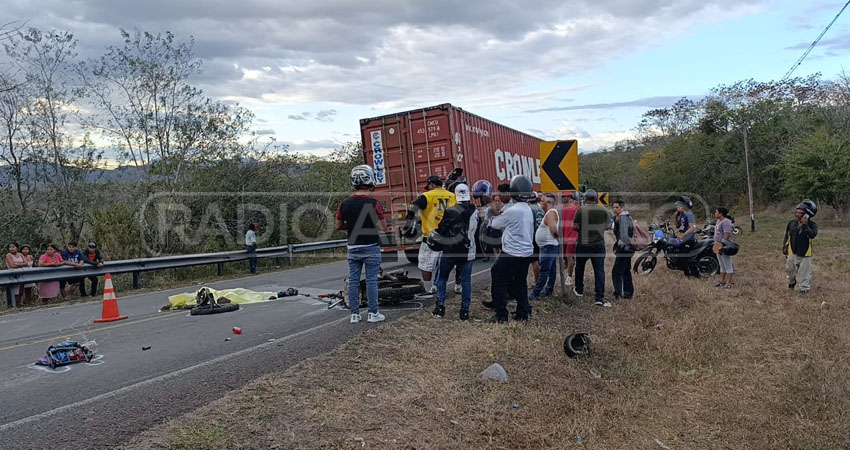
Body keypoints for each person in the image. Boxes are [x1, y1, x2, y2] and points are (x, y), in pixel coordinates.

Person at [336, 165, 387, 324]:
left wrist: (350, 225)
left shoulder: (344, 204)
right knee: (371, 280)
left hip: (353, 247)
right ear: (370, 180)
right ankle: (373, 313)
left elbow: (338, 226)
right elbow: (383, 227)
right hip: (371, 246)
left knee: (353, 280)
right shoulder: (374, 203)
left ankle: (354, 315)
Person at [486, 175, 535, 323]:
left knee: (498, 278)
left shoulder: (512, 210)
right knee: (520, 282)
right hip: (526, 252)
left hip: (512, 253)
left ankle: (501, 314)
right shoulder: (527, 209)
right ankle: (523, 311)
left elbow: (494, 225)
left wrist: (494, 210)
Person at [432, 183, 478, 321]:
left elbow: (441, 230)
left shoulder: (450, 211)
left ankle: (440, 308)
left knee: (443, 278)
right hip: (468, 251)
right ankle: (464, 311)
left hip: (450, 251)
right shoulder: (474, 211)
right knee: (465, 282)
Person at [407, 174, 455, 298]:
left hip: (431, 237)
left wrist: (410, 218)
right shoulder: (452, 196)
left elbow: (412, 208)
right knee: (445, 263)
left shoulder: (426, 196)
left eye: (429, 186)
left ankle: (428, 289)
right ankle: (442, 285)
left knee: (426, 264)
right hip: (449, 236)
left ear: (432, 185)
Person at [572, 189, 612, 307]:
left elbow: (574, 226)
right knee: (599, 270)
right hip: (598, 245)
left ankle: (579, 290)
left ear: (585, 199)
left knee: (579, 268)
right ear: (596, 198)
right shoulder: (603, 210)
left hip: (583, 244)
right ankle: (599, 297)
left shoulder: (581, 210)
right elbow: (608, 226)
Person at [783, 200, 818, 294]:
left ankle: (804, 289)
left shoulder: (812, 225)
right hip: (792, 252)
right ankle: (792, 283)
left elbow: (812, 235)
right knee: (790, 271)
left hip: (806, 254)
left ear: (807, 215)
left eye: (800, 213)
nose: (798, 215)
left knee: (805, 274)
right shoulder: (792, 223)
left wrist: (805, 225)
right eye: (797, 212)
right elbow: (787, 236)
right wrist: (785, 248)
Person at [530, 193, 560, 299]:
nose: (540, 203)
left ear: (548, 202)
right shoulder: (549, 212)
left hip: (548, 246)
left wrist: (556, 236)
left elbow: (553, 228)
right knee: (551, 270)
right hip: (549, 245)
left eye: (542, 201)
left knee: (544, 271)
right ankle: (548, 290)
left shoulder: (551, 213)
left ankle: (536, 293)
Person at [611, 201, 635, 300]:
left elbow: (624, 236)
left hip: (624, 249)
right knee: (626, 271)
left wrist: (618, 248)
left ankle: (618, 294)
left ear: (622, 208)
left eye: (617, 207)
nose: (615, 209)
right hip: (628, 249)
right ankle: (628, 293)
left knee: (616, 272)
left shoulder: (624, 218)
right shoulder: (625, 217)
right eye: (614, 207)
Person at [674, 196, 699, 278]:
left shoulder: (689, 215)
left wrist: (683, 235)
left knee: (684, 256)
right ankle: (686, 272)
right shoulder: (681, 215)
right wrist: (675, 217)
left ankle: (692, 274)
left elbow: (692, 228)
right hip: (683, 238)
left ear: (683, 207)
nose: (677, 209)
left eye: (678, 207)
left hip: (689, 239)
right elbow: (678, 226)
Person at [712, 208, 735, 290]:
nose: (715, 213)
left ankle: (728, 283)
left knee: (728, 265)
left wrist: (722, 244)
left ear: (721, 214)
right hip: (718, 245)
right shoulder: (718, 221)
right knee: (721, 265)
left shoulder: (726, 222)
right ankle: (722, 281)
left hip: (725, 246)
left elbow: (726, 234)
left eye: (716, 212)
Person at [561, 193, 579, 286]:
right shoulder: (560, 208)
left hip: (572, 235)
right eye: (563, 196)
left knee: (569, 256)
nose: (565, 198)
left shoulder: (576, 208)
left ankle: (569, 277)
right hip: (563, 235)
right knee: (566, 257)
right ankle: (569, 273)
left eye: (567, 196)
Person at [528, 192, 544, 284]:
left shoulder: (529, 210)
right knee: (539, 259)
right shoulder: (541, 209)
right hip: (541, 236)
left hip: (532, 236)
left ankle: (537, 281)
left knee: (534, 261)